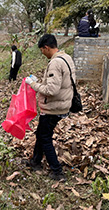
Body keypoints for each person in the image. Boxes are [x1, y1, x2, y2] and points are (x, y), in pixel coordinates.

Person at [24, 34, 76, 181]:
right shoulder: (67, 58)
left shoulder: (55, 63)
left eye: (42, 50)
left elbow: (51, 90)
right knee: (41, 134)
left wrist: (33, 84)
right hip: (63, 103)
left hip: (53, 108)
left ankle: (57, 171)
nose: (42, 54)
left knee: (45, 137)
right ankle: (35, 161)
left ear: (46, 48)